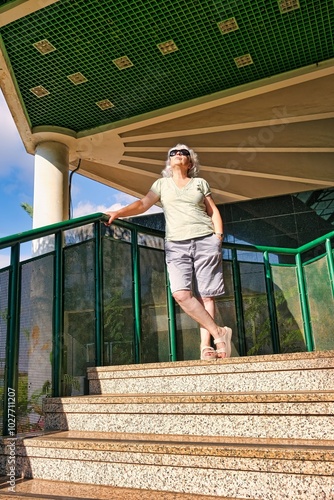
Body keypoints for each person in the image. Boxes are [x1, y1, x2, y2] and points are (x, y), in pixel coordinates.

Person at [105, 144, 232, 360]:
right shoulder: (161, 185)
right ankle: (219, 332)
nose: (178, 155)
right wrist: (119, 212)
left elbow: (213, 211)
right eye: (174, 153)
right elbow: (143, 204)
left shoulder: (199, 183)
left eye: (184, 153)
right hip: (176, 244)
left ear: (190, 162)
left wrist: (218, 237)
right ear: (169, 161)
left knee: (206, 296)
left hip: (205, 239)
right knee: (181, 295)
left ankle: (206, 346)